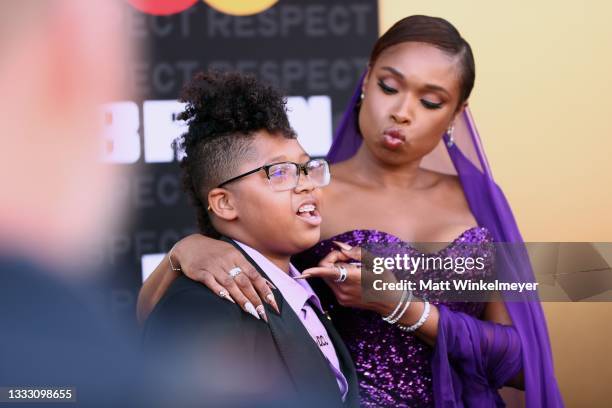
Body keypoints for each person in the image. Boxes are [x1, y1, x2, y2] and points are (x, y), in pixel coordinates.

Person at [138, 15, 563, 407]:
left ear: (456, 113)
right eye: (389, 86)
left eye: (431, 102)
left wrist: (402, 306)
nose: (401, 112)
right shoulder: (305, 197)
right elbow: (193, 315)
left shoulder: (480, 202)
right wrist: (186, 252)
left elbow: (527, 366)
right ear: (365, 81)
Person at [142, 71, 359, 407]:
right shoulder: (203, 307)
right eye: (280, 173)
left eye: (306, 168)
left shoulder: (306, 281)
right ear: (225, 203)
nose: (307, 184)